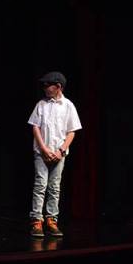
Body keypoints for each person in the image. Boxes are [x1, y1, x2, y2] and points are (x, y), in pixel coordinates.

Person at [28, 71, 82, 238]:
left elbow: (72, 131)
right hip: (42, 153)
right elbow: (35, 127)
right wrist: (44, 148)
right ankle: (36, 220)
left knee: (54, 187)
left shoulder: (68, 106)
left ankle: (51, 219)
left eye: (48, 85)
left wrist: (61, 150)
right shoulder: (41, 104)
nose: (45, 88)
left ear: (58, 87)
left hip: (59, 154)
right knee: (40, 185)